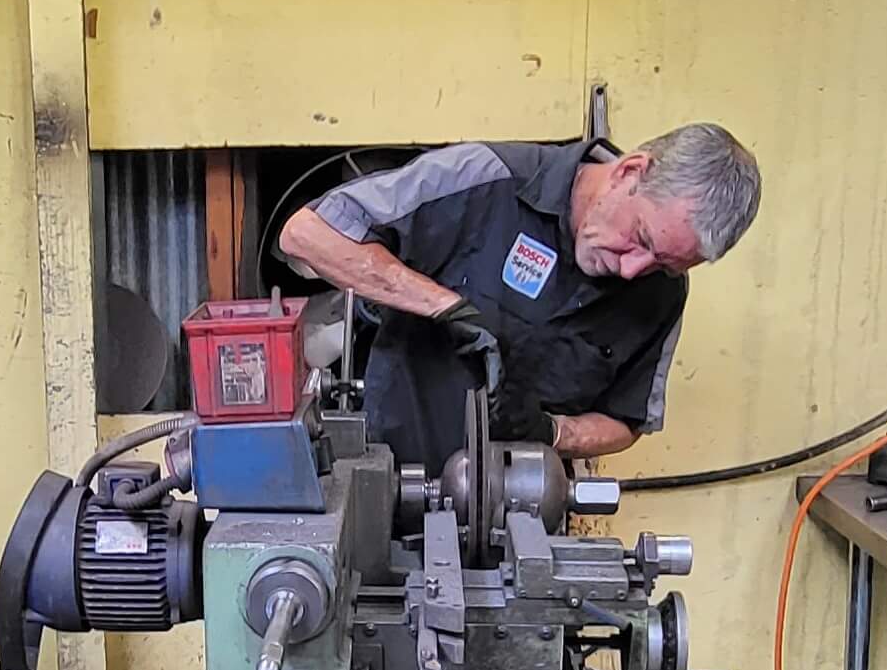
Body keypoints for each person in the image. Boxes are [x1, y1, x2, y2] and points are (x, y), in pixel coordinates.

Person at [277, 123, 761, 471]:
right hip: (387, 491)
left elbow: (625, 421)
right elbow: (307, 234)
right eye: (642, 239)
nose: (636, 269)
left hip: (522, 524)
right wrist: (445, 307)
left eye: (665, 263)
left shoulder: (662, 292)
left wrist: (552, 432)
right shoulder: (487, 178)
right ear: (629, 172)